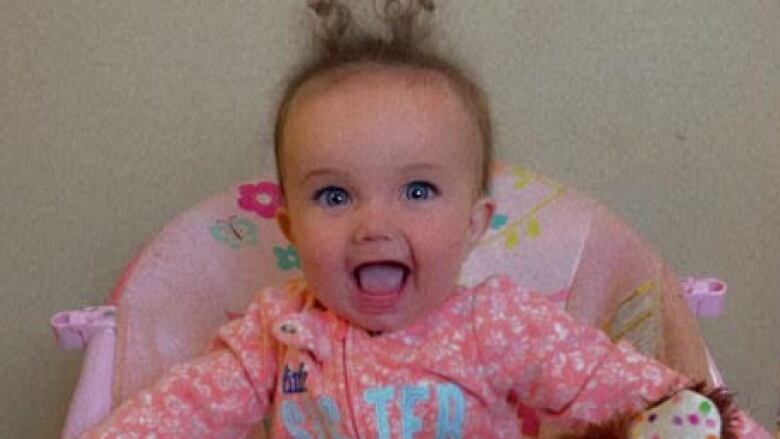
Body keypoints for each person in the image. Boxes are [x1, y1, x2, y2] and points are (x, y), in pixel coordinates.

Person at [80, 1, 735, 437]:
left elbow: (618, 385)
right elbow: (184, 408)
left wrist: (723, 424)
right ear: (289, 229)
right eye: (334, 196)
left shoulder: (498, 323)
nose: (374, 223)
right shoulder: (280, 333)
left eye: (418, 189)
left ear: (475, 223)